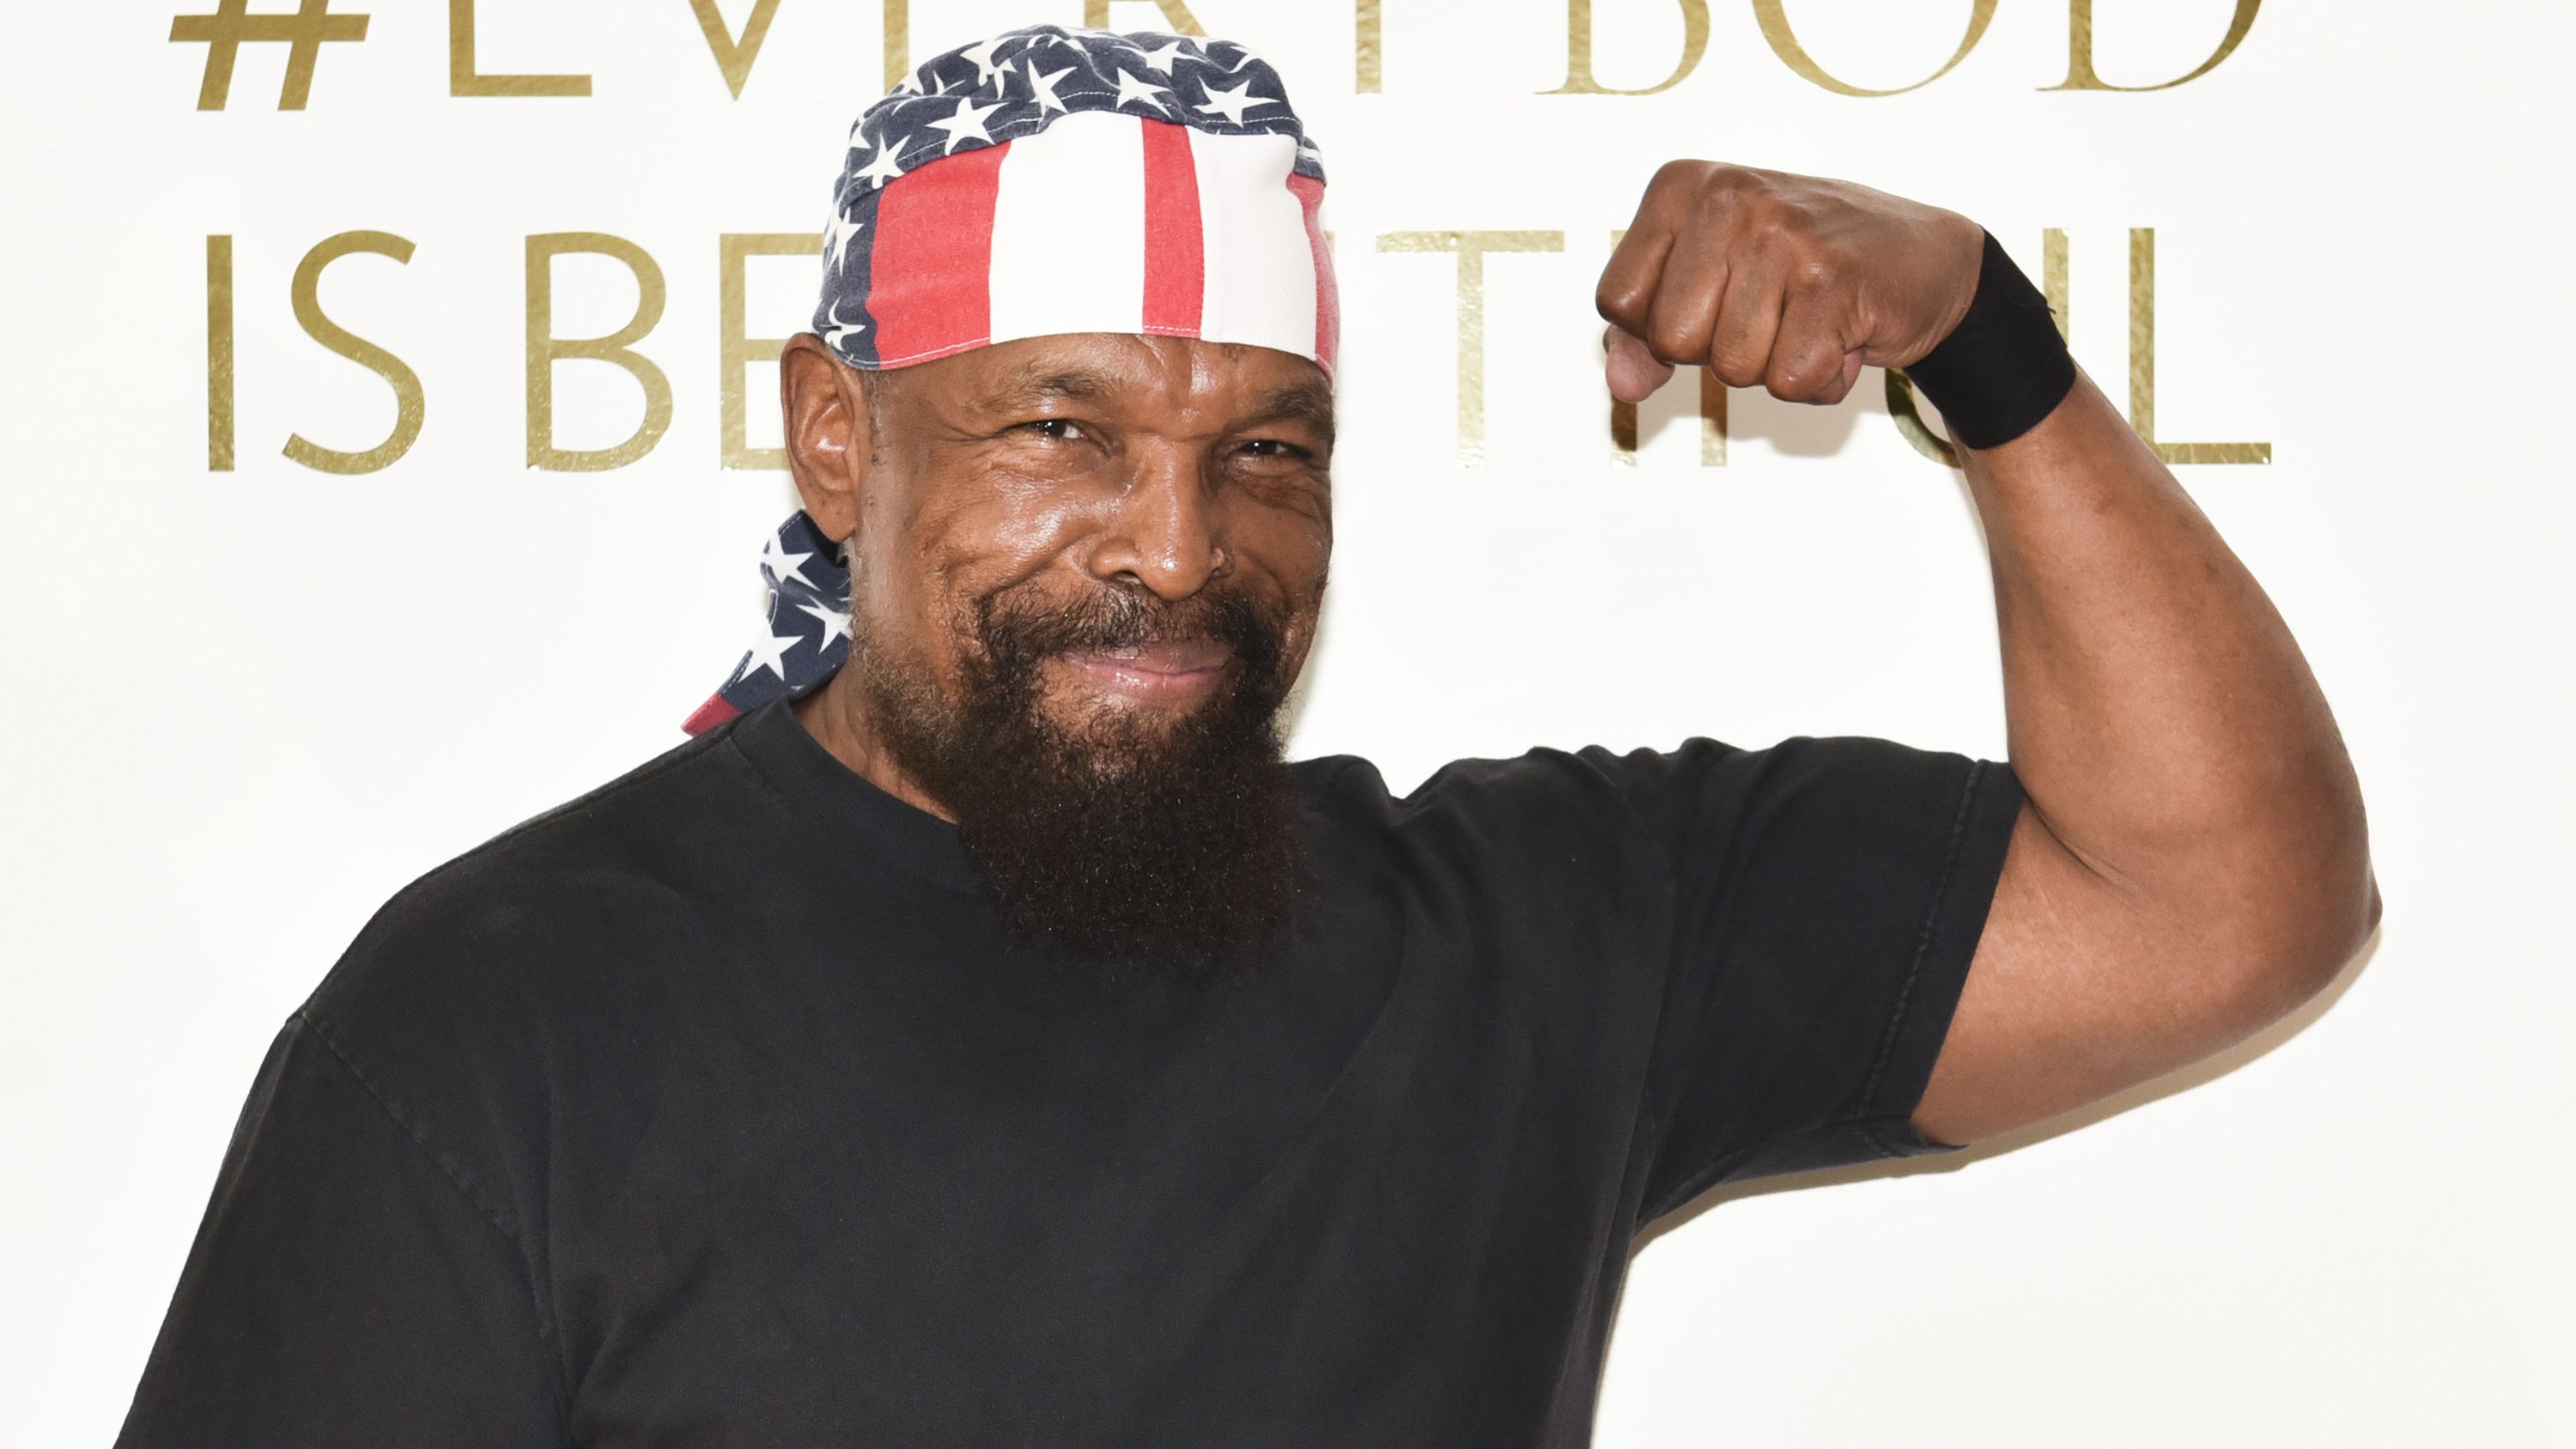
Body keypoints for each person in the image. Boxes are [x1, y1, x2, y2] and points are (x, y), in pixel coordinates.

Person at [115, 23, 2376, 1449]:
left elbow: (2225, 904)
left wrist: (1978, 333)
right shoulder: (511, 1013)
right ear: (836, 437)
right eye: (1063, 430)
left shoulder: (1529, 947)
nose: (1179, 547)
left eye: (1269, 451)